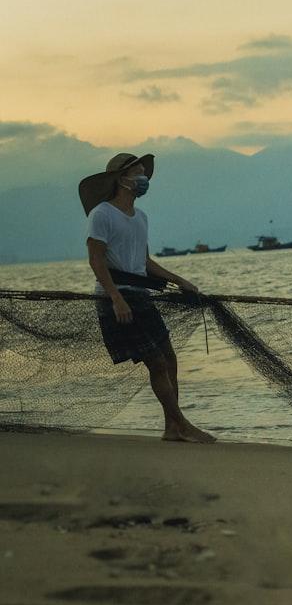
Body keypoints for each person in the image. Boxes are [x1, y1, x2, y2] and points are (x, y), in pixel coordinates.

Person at [79, 152, 215, 443]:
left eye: (144, 173)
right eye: (137, 173)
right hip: (116, 299)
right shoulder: (102, 214)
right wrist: (116, 298)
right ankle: (183, 424)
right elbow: (96, 261)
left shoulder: (140, 217)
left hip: (141, 296)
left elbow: (145, 262)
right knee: (155, 362)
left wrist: (179, 280)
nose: (143, 179)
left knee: (170, 358)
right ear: (121, 179)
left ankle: (172, 428)